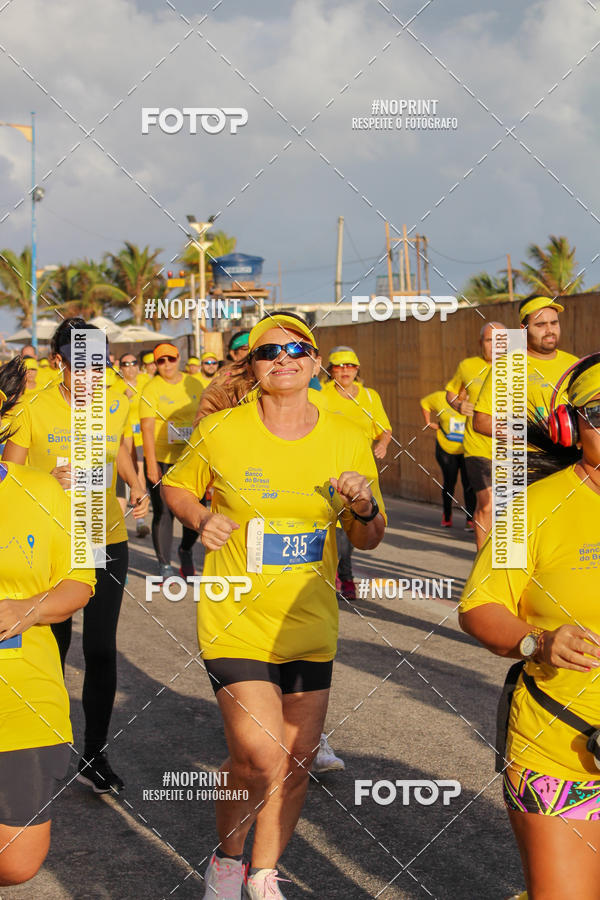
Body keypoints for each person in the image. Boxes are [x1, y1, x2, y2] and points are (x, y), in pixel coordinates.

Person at [162, 312, 386, 899]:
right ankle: (227, 861)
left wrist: (362, 506)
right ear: (253, 367)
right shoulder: (221, 431)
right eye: (269, 352)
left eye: (296, 349)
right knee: (258, 755)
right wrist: (201, 516)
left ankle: (262, 875)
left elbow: (368, 537)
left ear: (314, 364)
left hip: (309, 621)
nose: (283, 358)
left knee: (299, 757)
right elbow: (175, 485)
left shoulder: (346, 433)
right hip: (235, 616)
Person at [460, 352, 600, 899]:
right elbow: (481, 607)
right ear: (572, 423)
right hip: (560, 743)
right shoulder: (531, 509)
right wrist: (536, 641)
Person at [2, 319, 149, 794]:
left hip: (105, 537)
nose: (91, 372)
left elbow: (119, 450)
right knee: (55, 647)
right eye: (80, 363)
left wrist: (137, 484)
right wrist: (51, 485)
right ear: (59, 363)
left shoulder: (116, 402)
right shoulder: (31, 408)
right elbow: (11, 476)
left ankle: (95, 753)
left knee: (101, 649)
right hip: (50, 548)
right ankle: (48, 744)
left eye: (99, 361)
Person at [0, 357, 96, 886]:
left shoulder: (46, 491)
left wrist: (26, 609)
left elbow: (80, 583)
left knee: (17, 864)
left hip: (23, 692)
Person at [312, 346, 392, 600]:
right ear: (329, 369)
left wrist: (382, 444)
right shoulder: (321, 396)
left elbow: (384, 429)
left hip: (361, 470)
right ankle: (343, 576)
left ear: (358, 369)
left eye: (350, 366)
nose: (345, 371)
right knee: (336, 525)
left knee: (360, 520)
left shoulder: (370, 397)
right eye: (338, 365)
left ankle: (339, 571)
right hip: (329, 469)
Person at [473, 296, 578, 451]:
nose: (549, 330)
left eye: (554, 323)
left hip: (575, 462)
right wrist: (533, 434)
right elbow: (481, 421)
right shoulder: (507, 366)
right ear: (523, 329)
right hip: (533, 468)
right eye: (540, 325)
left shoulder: (574, 364)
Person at [139, 342, 202, 578]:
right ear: (155, 364)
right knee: (164, 512)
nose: (166, 365)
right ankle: (164, 565)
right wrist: (151, 463)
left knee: (193, 511)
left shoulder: (193, 383)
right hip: (162, 458)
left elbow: (205, 418)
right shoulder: (151, 388)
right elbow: (146, 428)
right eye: (161, 361)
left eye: (171, 359)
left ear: (179, 359)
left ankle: (185, 550)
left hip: (191, 459)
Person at [445, 322, 505, 550]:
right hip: (477, 448)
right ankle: (483, 560)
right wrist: (459, 405)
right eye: (490, 340)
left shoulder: (519, 368)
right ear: (481, 343)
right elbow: (451, 392)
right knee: (487, 504)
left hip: (513, 449)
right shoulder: (468, 366)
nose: (495, 346)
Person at [420, 388, 474, 529]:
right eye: (461, 390)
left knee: (468, 484)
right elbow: (424, 403)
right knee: (450, 482)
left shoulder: (475, 398)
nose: (464, 393)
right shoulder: (440, 397)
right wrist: (428, 422)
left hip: (467, 449)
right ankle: (447, 515)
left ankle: (470, 519)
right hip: (446, 449)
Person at [115, 352, 150, 538]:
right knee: (124, 473)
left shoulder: (146, 381)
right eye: (125, 364)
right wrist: (123, 397)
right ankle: (122, 520)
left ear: (138, 365)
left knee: (139, 472)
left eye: (133, 363)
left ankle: (140, 519)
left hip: (142, 434)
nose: (130, 367)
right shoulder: (116, 387)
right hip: (125, 434)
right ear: (121, 368)